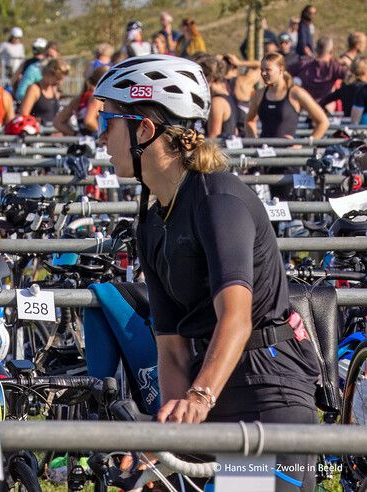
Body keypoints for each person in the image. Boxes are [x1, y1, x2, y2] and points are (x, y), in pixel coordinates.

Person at [93, 54, 321, 492]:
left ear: (145, 129)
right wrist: (168, 435)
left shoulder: (218, 199)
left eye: (109, 121)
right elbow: (173, 349)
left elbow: (236, 318)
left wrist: (198, 399)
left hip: (265, 390)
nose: (101, 135)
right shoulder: (151, 221)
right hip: (212, 385)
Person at [246, 52, 328, 139]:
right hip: (265, 150)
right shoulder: (259, 94)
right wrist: (254, 142)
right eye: (262, 70)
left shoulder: (295, 93)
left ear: (281, 70)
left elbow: (323, 122)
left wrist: (303, 145)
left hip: (288, 151)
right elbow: (249, 121)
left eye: (268, 70)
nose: (263, 73)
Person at [289, 37, 348, 105]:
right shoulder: (334, 67)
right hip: (323, 107)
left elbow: (286, 73)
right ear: (331, 51)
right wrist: (347, 63)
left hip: (303, 105)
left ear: (316, 49)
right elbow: (351, 78)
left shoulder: (304, 63)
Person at [54, 66, 106, 136]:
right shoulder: (98, 98)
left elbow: (57, 122)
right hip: (97, 143)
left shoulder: (79, 99)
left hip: (85, 143)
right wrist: (106, 135)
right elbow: (89, 121)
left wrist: (77, 135)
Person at [19, 58, 69, 126]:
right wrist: (39, 121)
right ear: (49, 74)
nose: (60, 83)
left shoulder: (53, 89)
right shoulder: (34, 89)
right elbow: (23, 115)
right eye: (58, 79)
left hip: (52, 133)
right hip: (39, 133)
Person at [199, 56, 237, 139]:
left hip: (221, 151)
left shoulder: (217, 102)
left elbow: (214, 137)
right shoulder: (227, 94)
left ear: (210, 78)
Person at [13, 38, 49, 102]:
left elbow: (13, 79)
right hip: (34, 97)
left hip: (22, 96)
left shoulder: (26, 63)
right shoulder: (44, 64)